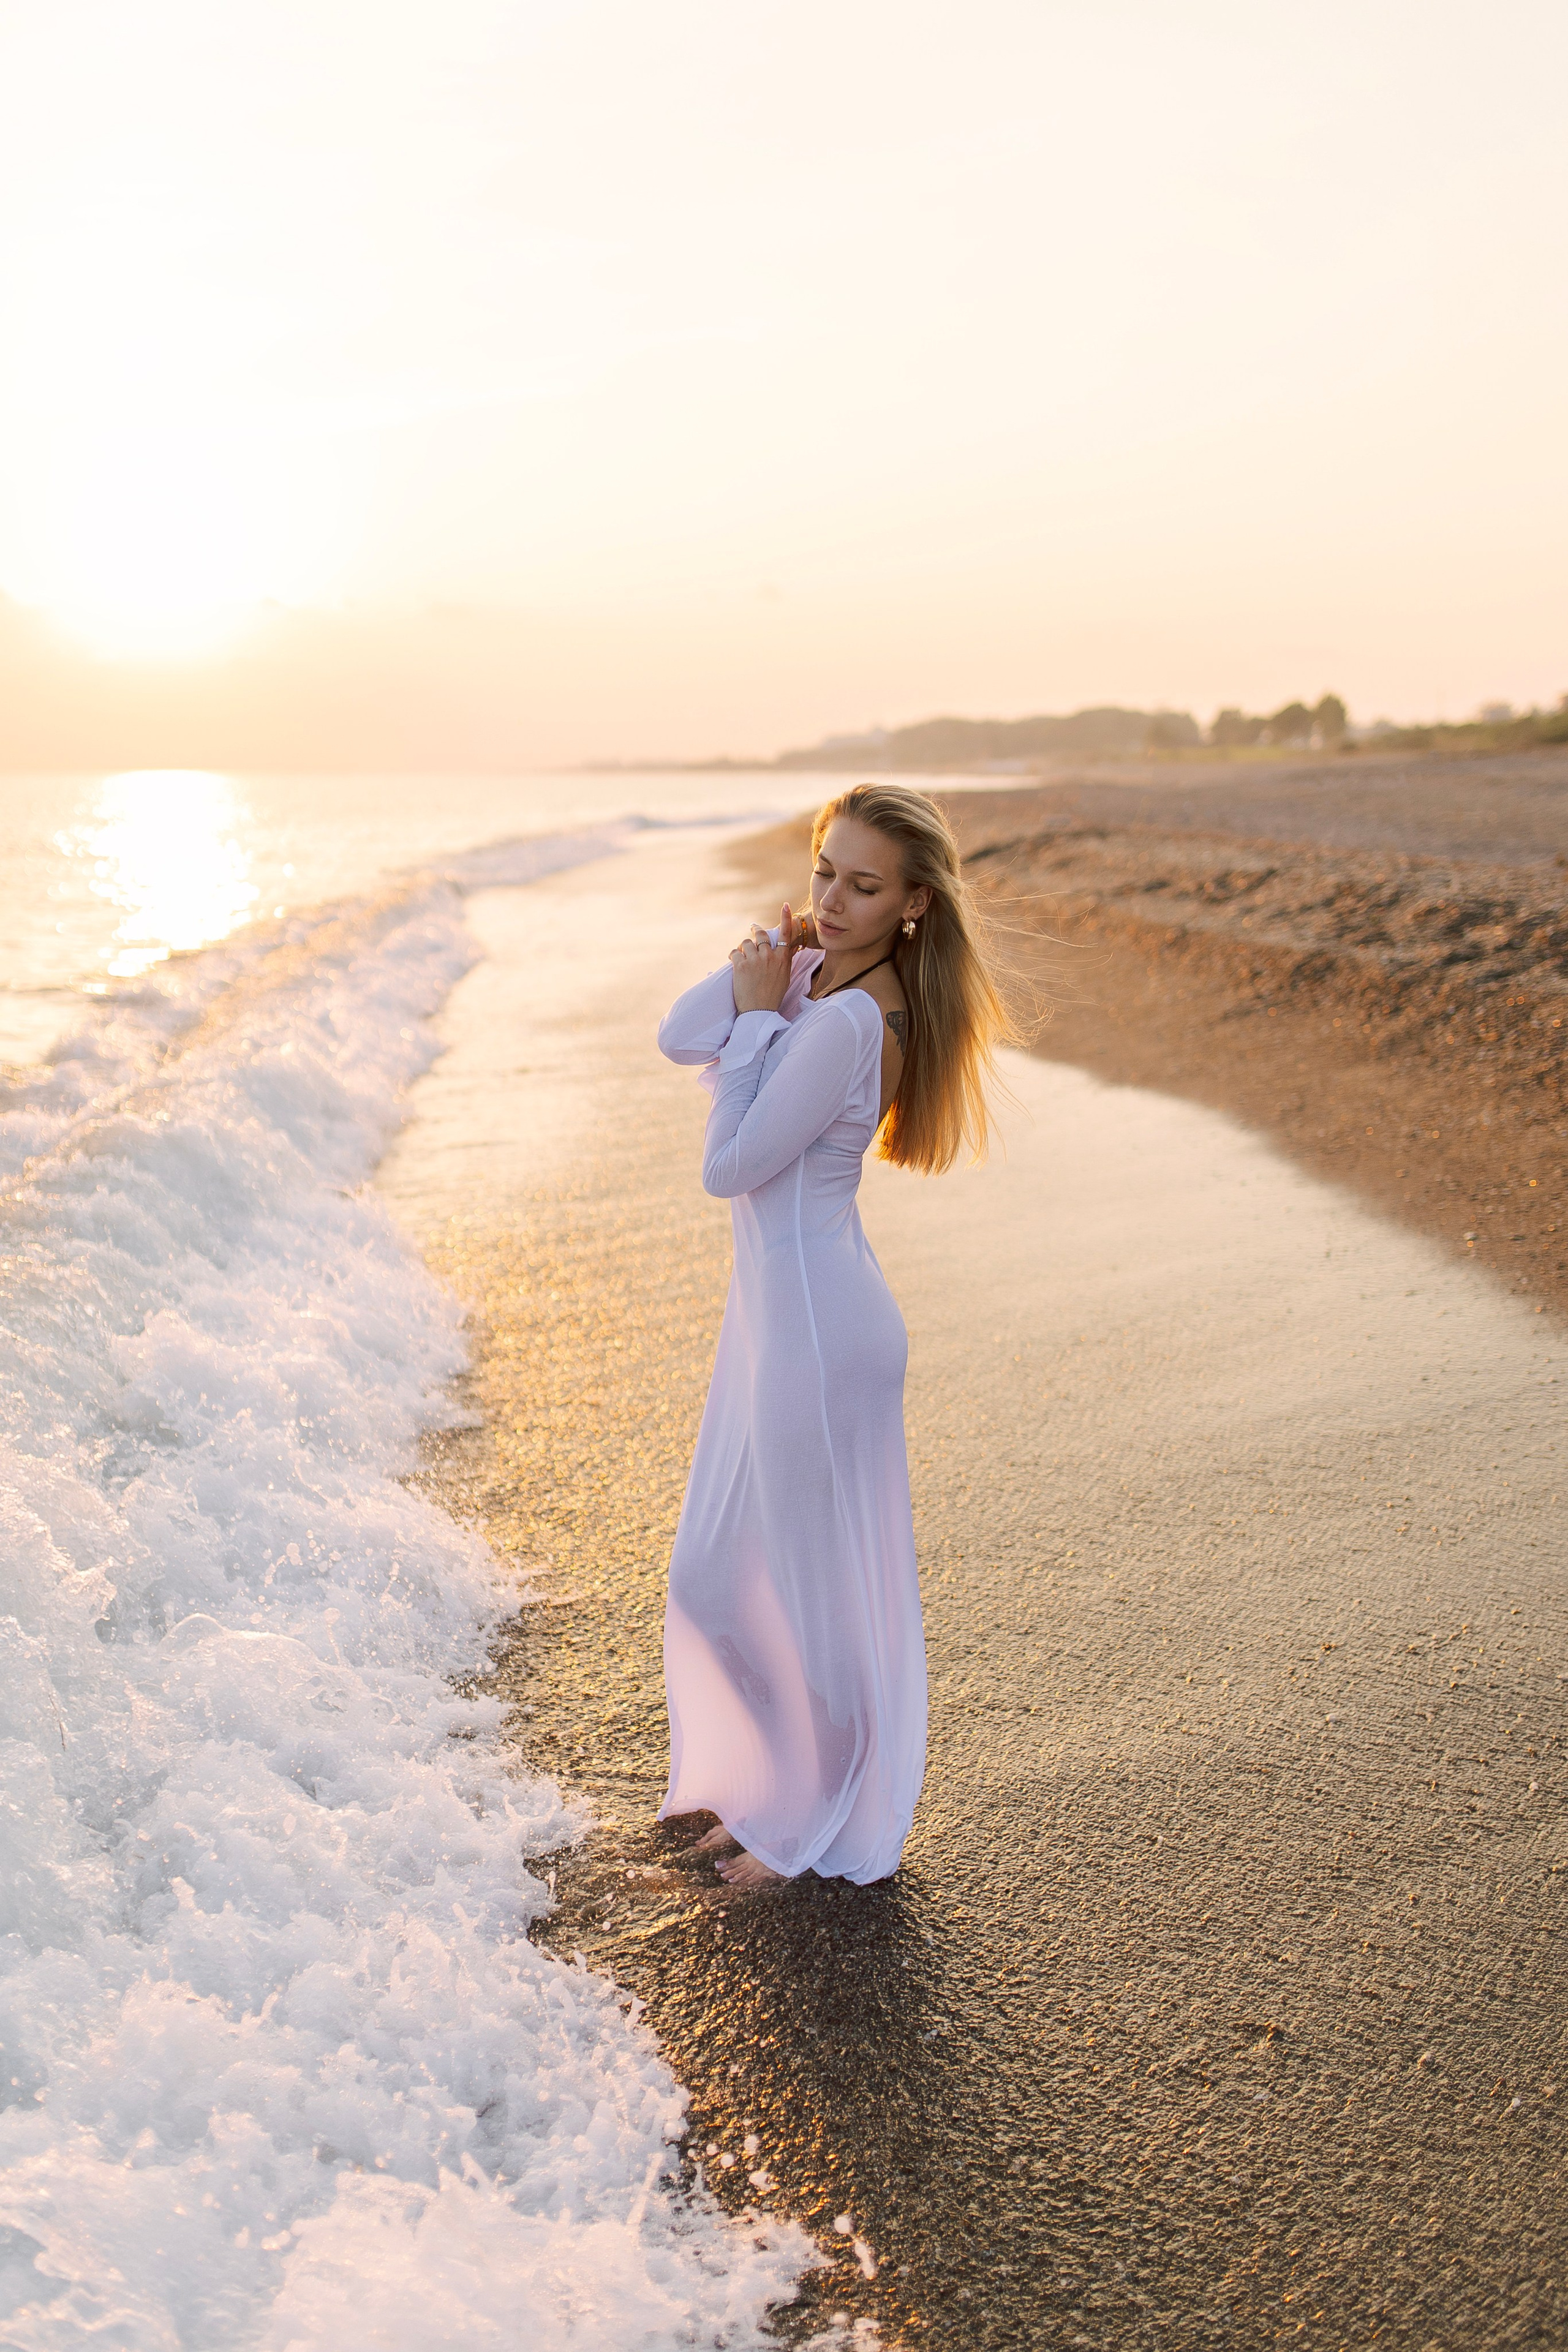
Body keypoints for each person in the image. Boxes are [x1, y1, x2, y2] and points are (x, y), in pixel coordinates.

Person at [655, 782, 1011, 1890]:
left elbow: (731, 1169)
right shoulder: (822, 976)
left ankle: (810, 1825)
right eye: (825, 875)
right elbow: (677, 1036)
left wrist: (764, 1014)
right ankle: (777, 1792)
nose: (836, 900)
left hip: (818, 1335)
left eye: (865, 886)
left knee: (818, 1609)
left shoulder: (855, 1020)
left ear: (913, 904)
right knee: (715, 1582)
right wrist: (768, 962)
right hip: (778, 1325)